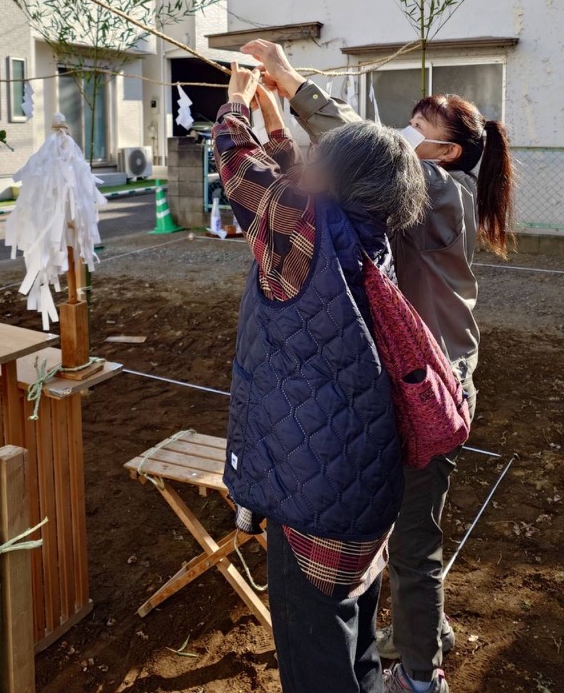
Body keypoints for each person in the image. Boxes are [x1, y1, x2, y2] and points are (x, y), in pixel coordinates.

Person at [240, 39, 515, 693]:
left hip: (431, 397)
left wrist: (291, 84)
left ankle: (422, 676)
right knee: (392, 534)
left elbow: (362, 149)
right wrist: (281, 119)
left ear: (445, 152)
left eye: (412, 132)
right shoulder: (420, 192)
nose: (397, 139)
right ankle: (428, 634)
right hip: (413, 390)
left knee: (414, 552)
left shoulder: (442, 191)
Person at [212, 62, 427, 693]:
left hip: (310, 494)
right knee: (354, 635)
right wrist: (276, 118)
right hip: (361, 483)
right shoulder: (362, 230)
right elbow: (284, 185)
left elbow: (236, 165)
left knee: (316, 671)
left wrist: (237, 101)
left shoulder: (300, 229)